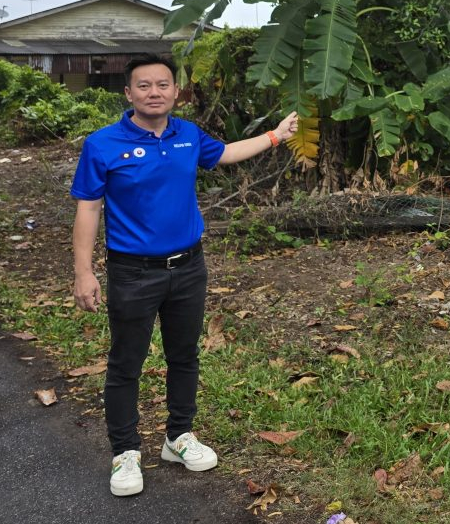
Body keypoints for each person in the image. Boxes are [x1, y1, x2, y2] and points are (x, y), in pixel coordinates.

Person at [70, 54, 298, 497]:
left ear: (176, 92)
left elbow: (227, 154)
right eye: (144, 86)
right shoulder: (102, 144)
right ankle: (125, 453)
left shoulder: (187, 134)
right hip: (132, 271)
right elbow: (88, 207)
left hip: (189, 267)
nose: (154, 92)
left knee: (184, 355)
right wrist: (84, 271)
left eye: (162, 85)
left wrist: (275, 136)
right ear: (128, 93)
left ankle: (178, 437)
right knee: (126, 364)